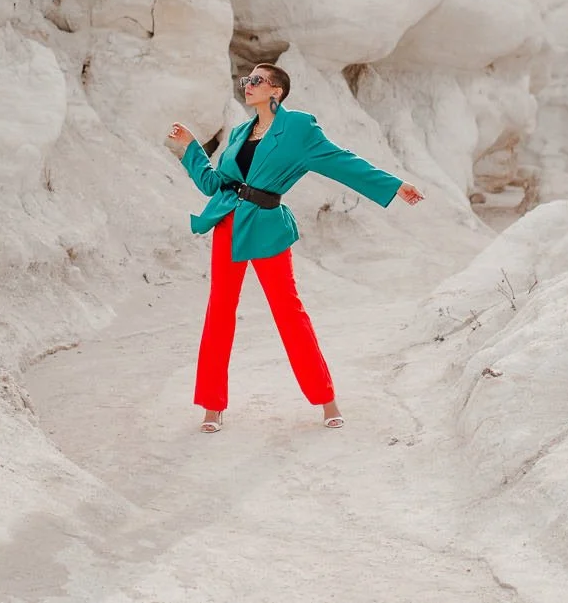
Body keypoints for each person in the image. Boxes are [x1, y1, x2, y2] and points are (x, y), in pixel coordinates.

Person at [166, 63, 424, 433]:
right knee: (219, 311)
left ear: (277, 91)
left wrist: (395, 185)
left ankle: (326, 400)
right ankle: (212, 406)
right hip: (227, 225)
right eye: (246, 80)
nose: (248, 85)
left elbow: (342, 162)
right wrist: (190, 147)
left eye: (257, 80)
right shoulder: (239, 133)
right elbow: (214, 185)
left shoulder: (299, 128)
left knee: (289, 312)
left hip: (268, 227)